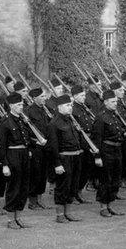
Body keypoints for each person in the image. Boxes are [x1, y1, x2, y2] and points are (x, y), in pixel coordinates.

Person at [0, 92, 36, 229]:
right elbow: (1, 146)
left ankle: (18, 217)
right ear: (11, 105)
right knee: (14, 187)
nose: (21, 107)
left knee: (23, 187)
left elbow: (26, 138)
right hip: (12, 155)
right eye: (18, 105)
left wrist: (28, 149)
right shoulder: (5, 121)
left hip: (23, 154)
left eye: (22, 104)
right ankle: (10, 219)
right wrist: (4, 165)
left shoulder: (21, 120)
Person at [46, 94, 86, 223]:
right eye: (67, 105)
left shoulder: (70, 120)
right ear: (59, 107)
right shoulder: (54, 124)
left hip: (75, 157)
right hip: (64, 159)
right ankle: (59, 215)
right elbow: (53, 146)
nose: (70, 108)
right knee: (63, 187)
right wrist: (57, 164)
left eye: (71, 105)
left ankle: (68, 212)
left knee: (73, 187)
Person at [91, 89, 126, 218]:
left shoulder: (115, 115)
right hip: (106, 151)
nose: (115, 104)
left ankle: (110, 205)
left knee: (115, 179)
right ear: (106, 102)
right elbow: (96, 139)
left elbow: (118, 131)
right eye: (113, 102)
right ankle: (103, 207)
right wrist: (97, 157)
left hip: (117, 150)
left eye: (116, 102)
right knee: (105, 179)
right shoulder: (101, 117)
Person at [23, 87, 52, 210]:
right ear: (34, 98)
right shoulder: (29, 111)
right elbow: (26, 130)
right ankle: (32, 201)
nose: (44, 99)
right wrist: (31, 145)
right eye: (41, 97)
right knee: (35, 173)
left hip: (45, 146)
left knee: (43, 173)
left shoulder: (45, 110)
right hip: (35, 146)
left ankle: (40, 199)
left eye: (44, 96)